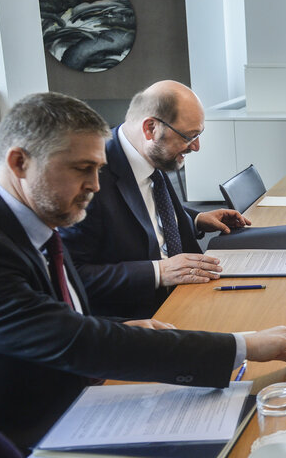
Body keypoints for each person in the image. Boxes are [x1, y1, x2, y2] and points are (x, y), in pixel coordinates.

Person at [0, 92, 286, 453]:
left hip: (81, 395)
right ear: (19, 163)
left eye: (98, 168)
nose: (95, 184)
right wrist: (243, 345)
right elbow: (74, 340)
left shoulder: (36, 221)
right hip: (38, 430)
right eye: (81, 169)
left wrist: (117, 326)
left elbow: (57, 318)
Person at [60, 81, 251, 318]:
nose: (197, 146)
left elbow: (147, 210)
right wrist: (159, 272)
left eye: (199, 134)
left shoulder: (150, 153)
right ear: (150, 128)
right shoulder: (91, 178)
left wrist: (196, 218)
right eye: (189, 136)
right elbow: (73, 277)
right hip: (141, 318)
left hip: (189, 295)